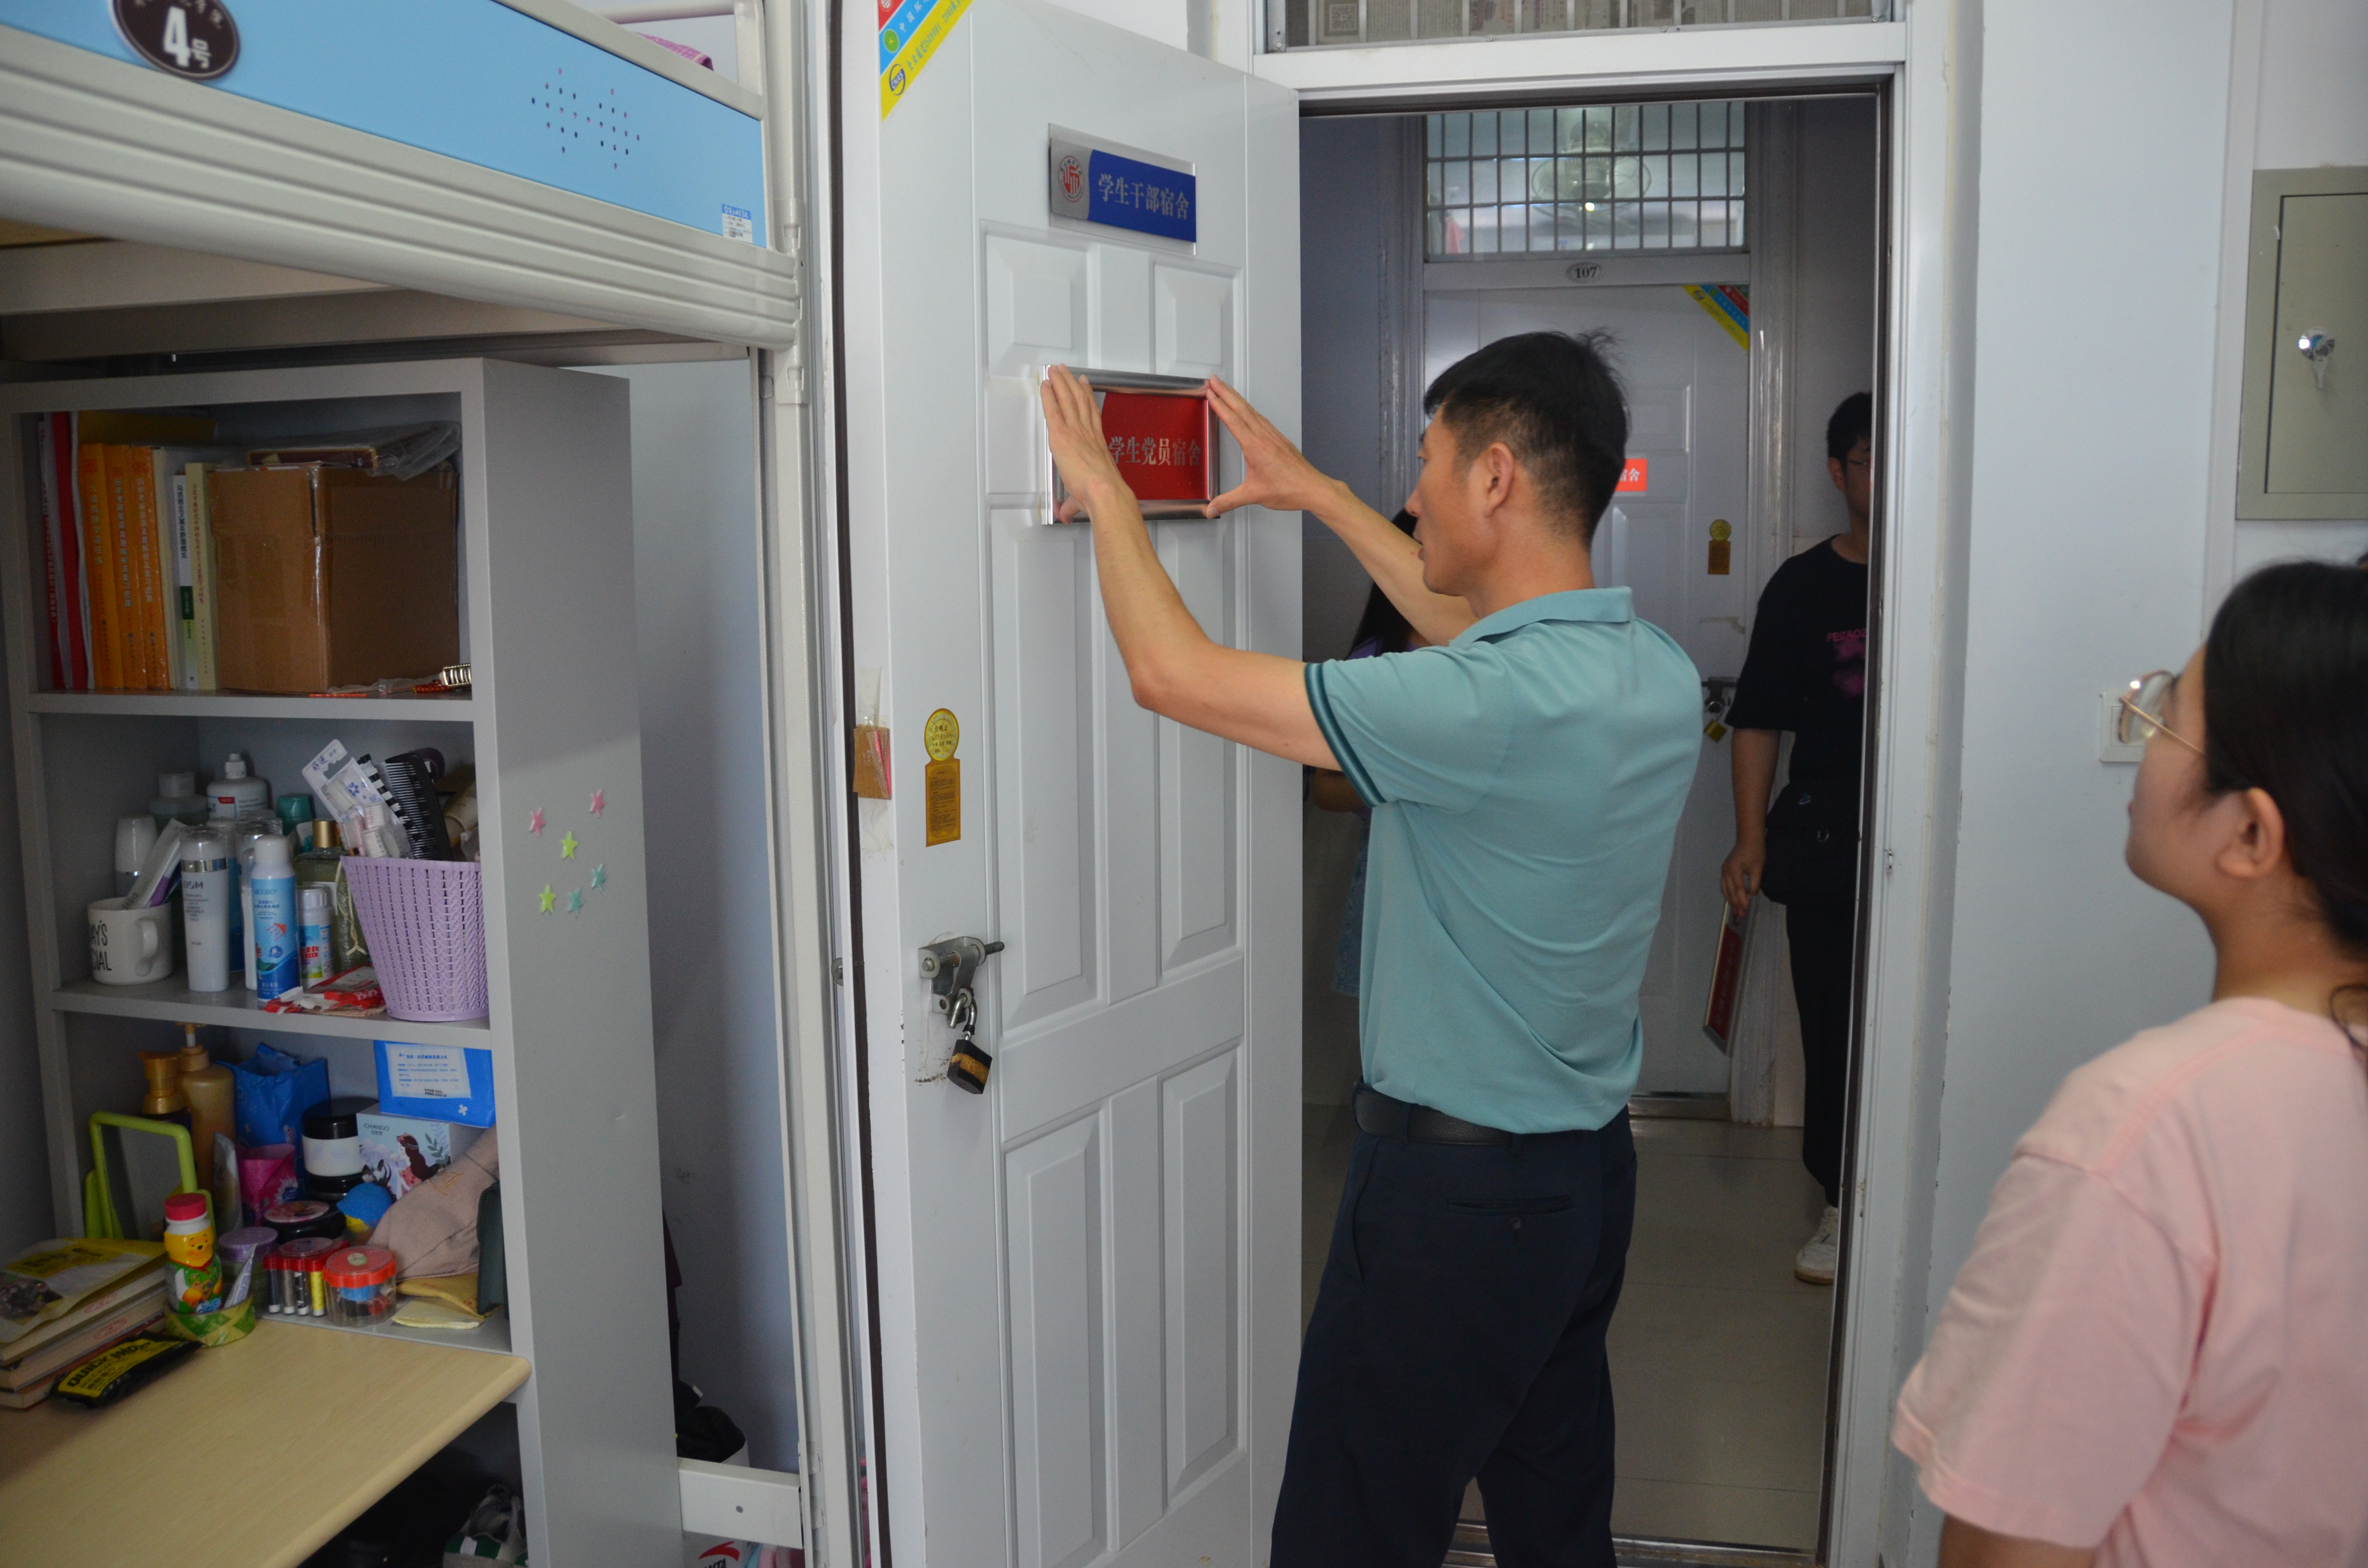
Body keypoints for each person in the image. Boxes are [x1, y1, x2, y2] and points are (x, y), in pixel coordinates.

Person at [1039, 331, 1701, 1568]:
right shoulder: (1646, 669)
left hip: (1453, 1209)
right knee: (1556, 1522)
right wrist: (1320, 495)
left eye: (1429, 462)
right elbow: (1460, 616)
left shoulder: (1483, 705)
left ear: (1494, 477)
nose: (1414, 492)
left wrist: (1104, 490)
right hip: (1579, 1190)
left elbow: (1171, 674)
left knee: (1347, 1538)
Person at [1893, 561, 2368, 1568]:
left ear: (2251, 833)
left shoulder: (2150, 1127)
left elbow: (2007, 1551)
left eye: (2166, 715)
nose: (2141, 734)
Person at [1719, 391, 1872, 1285]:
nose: (1881, 476)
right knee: (1833, 1025)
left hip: (1928, 843)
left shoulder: (1950, 575)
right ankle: (1842, 1204)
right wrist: (1750, 839)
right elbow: (1758, 722)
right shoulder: (1803, 587)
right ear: (1837, 473)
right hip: (1826, 844)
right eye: (1866, 460)